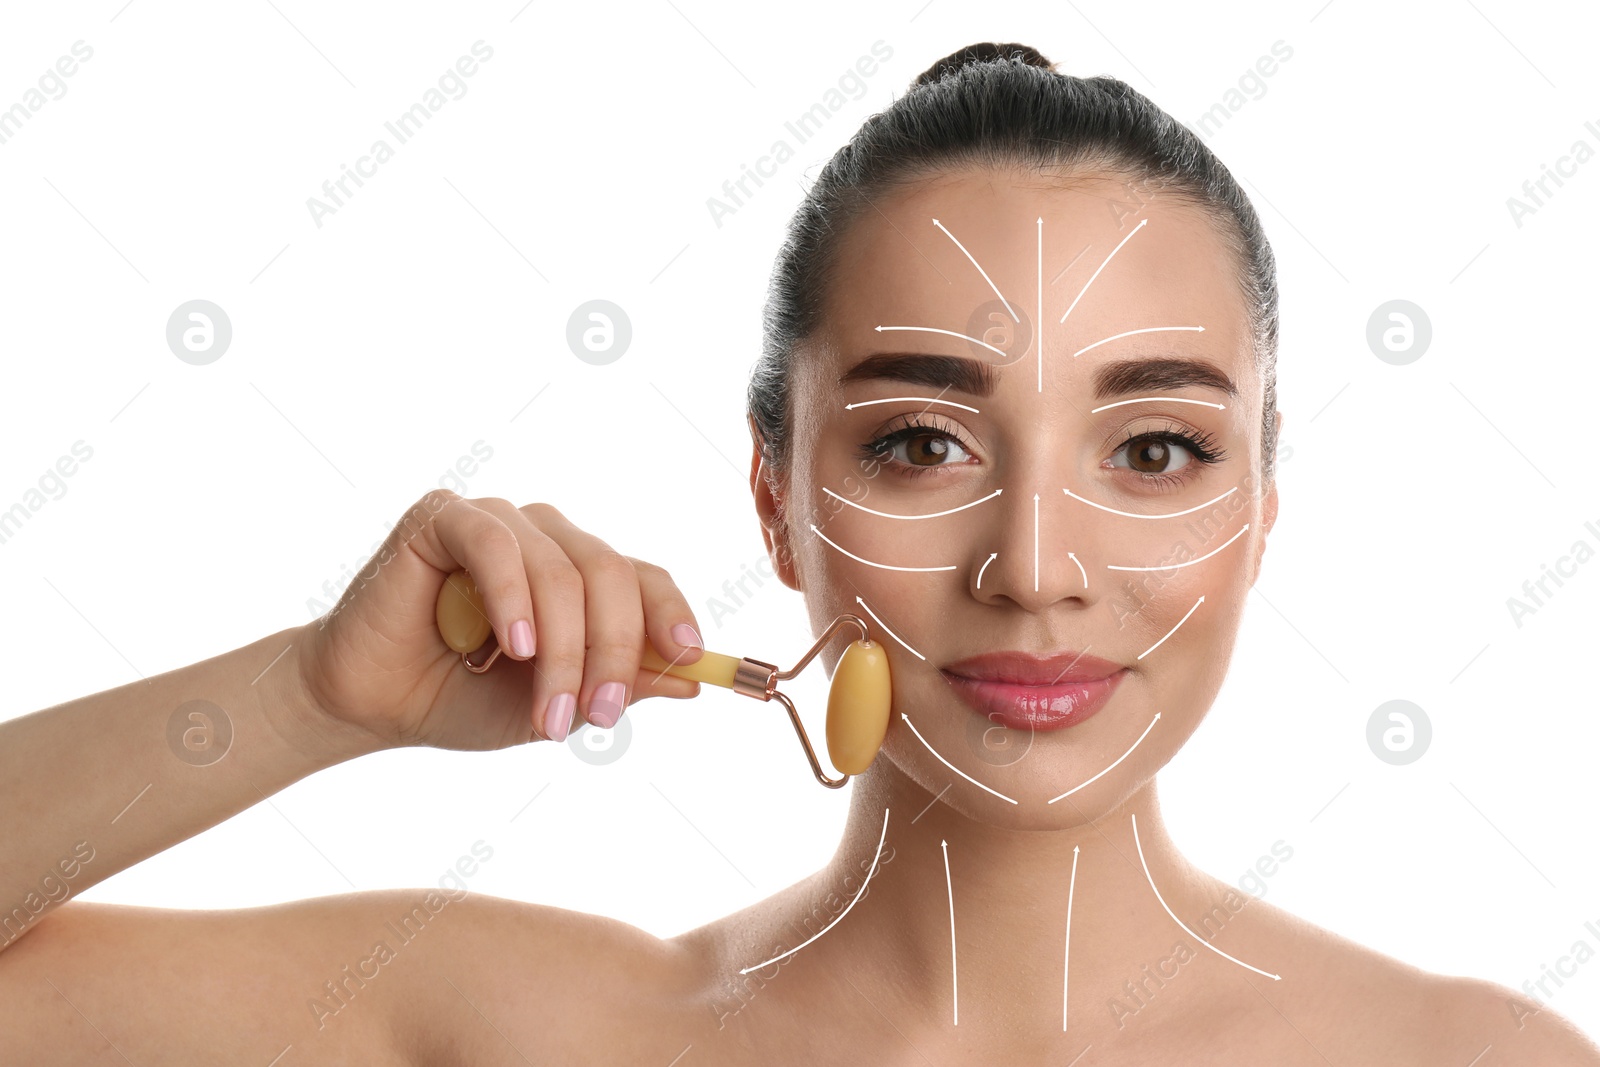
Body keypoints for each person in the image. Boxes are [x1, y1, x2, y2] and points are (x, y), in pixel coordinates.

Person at [2, 41, 1595, 1064]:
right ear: (778, 500)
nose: (1034, 565)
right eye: (921, 443)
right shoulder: (543, 1033)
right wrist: (312, 697)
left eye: (1155, 449)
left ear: (1259, 508)